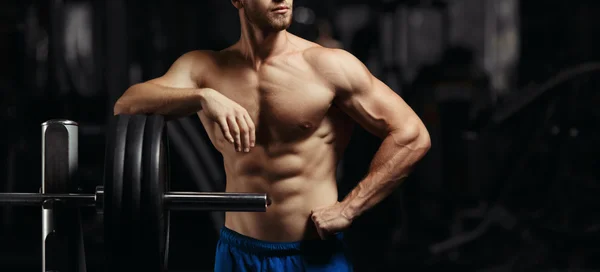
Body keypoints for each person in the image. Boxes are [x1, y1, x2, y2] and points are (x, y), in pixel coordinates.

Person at [113, 0, 431, 271]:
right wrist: (202, 97)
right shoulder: (203, 68)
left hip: (311, 256)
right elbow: (126, 104)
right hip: (237, 254)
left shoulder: (328, 66)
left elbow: (412, 135)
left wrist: (350, 207)